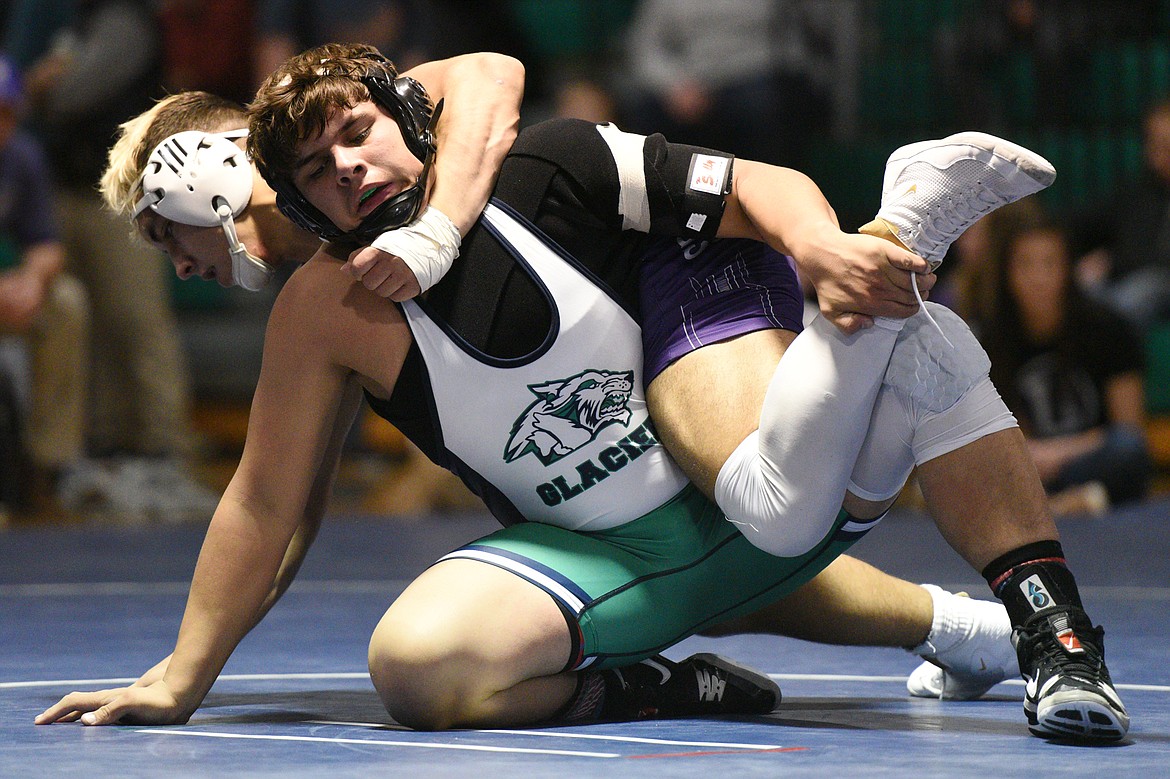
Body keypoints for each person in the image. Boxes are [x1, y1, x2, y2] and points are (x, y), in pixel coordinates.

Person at [39, 45, 1121, 742]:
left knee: (795, 461)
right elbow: (268, 505)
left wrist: (825, 247)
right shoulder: (316, 312)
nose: (178, 266)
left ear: (211, 176)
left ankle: (1041, 619)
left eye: (164, 231)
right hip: (621, 549)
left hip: (707, 367)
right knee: (415, 664)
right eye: (321, 166)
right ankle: (930, 633)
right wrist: (184, 673)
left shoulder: (504, 156)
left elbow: (489, 76)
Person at [20, 0, 217, 520]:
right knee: (90, 328)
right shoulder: (79, 17)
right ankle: (107, 453)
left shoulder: (125, 17)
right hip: (69, 184)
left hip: (116, 194)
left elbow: (70, 92)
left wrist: (45, 86)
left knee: (137, 322)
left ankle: (165, 451)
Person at [983, 206, 1151, 516]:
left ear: (1068, 269)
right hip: (1030, 464)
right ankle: (1081, 500)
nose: (1038, 278)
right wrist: (1030, 455)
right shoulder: (993, 339)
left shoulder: (1109, 328)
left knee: (1128, 450)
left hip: (1086, 457)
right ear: (1007, 272)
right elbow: (1002, 431)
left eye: (1049, 264)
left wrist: (1059, 453)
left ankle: (1056, 503)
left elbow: (1128, 427)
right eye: (1025, 265)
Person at [0, 54, 89, 521]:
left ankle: (47, 466)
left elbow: (46, 244)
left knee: (64, 302)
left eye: (6, 111)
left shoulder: (21, 157)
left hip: (7, 291)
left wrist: (32, 280)